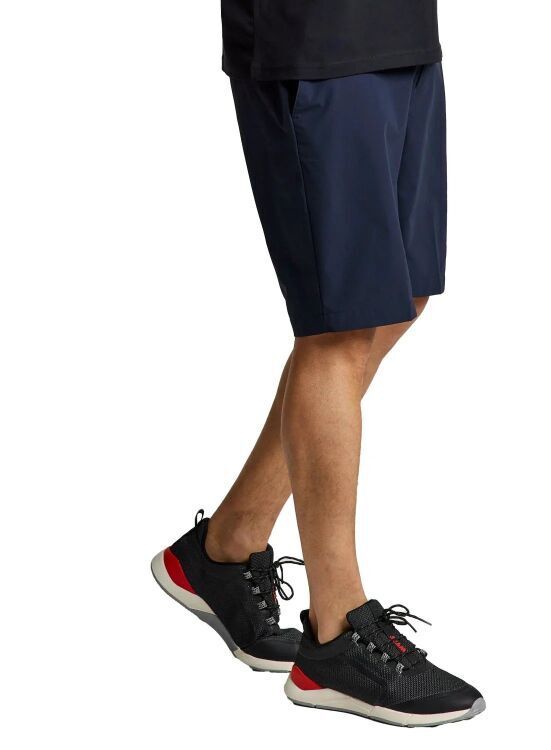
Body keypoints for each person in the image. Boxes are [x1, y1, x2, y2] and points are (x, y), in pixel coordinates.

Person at [151, 0, 485, 727]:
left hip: (401, 31)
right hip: (313, 41)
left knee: (402, 297)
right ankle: (335, 635)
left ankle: (225, 547)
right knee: (340, 324)